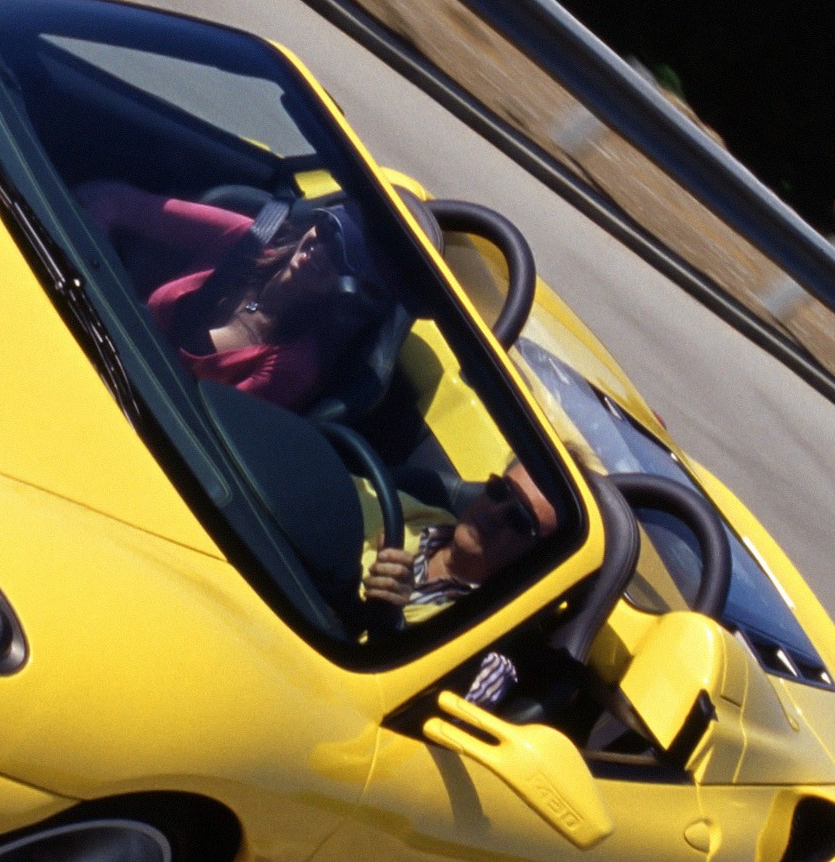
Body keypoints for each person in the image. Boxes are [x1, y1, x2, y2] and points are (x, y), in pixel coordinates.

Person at [76, 180, 379, 409]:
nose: (322, 250)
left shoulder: (292, 365)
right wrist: (82, 281)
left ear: (348, 288)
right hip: (85, 340)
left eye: (341, 256)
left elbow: (198, 431)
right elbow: (108, 198)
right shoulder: (246, 239)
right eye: (328, 230)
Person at [363, 464, 556, 613]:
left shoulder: (480, 634)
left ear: (534, 559)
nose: (494, 512)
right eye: (499, 490)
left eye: (519, 518)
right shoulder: (405, 511)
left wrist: (391, 621)